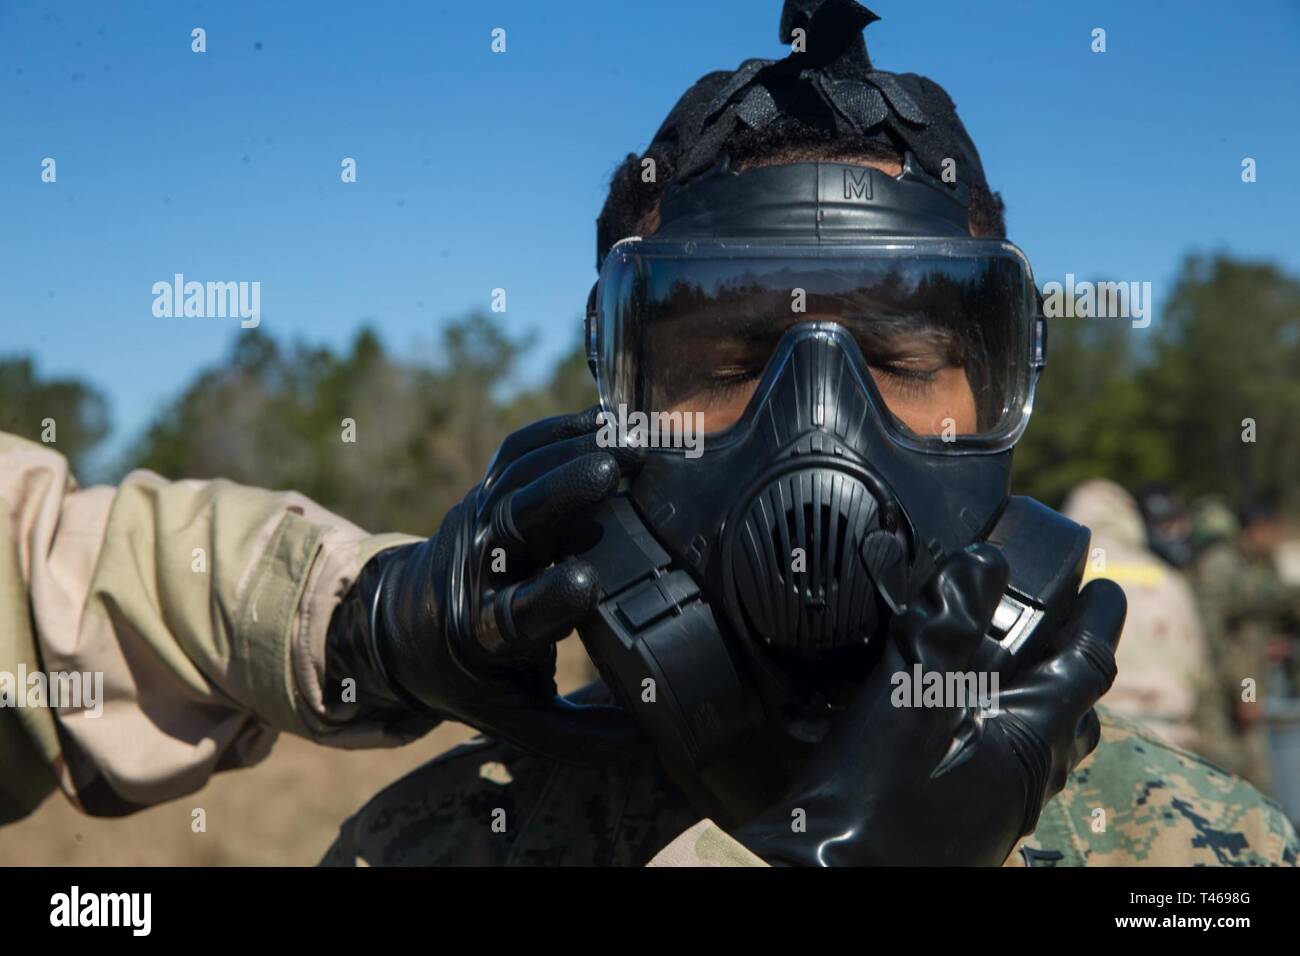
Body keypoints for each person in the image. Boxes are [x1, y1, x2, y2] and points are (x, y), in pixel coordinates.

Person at [3, 0, 1295, 867]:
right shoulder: (451, 846)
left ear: (1003, 394)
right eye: (729, 358)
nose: (820, 432)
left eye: (903, 357)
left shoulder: (1192, 848)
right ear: (608, 406)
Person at [1061, 481, 1221, 756]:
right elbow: (1198, 664)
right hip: (1167, 739)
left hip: (1086, 742)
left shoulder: (1061, 578)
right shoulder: (1167, 579)